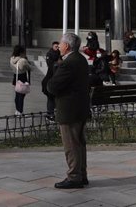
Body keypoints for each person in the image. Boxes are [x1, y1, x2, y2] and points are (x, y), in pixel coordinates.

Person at [47, 32, 91, 189]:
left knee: (71, 145)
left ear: (66, 45)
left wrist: (53, 71)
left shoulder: (68, 63)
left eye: (61, 43)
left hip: (69, 110)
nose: (58, 46)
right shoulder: (80, 60)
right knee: (79, 143)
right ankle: (82, 174)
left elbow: (52, 86)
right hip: (80, 108)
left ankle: (74, 176)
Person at [41, 41, 61, 121]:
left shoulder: (60, 54)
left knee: (52, 98)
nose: (57, 48)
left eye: (58, 46)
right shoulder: (50, 54)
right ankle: (51, 113)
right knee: (51, 98)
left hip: (55, 80)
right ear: (53, 46)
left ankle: (51, 113)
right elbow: (50, 65)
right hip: (51, 80)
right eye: (56, 46)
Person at [10, 45, 31, 115]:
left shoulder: (12, 59)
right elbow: (30, 68)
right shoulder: (23, 60)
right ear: (21, 52)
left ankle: (17, 110)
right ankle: (20, 111)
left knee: (17, 95)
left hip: (15, 77)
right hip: (22, 78)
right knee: (21, 96)